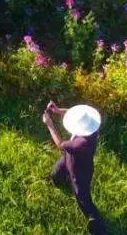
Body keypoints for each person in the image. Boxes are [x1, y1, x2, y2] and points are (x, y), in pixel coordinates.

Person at [43, 101, 106, 235]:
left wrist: (50, 125)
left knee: (83, 198)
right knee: (56, 175)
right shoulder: (92, 126)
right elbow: (73, 114)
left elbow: (60, 144)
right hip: (69, 159)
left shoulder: (80, 144)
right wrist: (58, 110)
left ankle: (97, 224)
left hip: (79, 172)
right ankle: (59, 180)